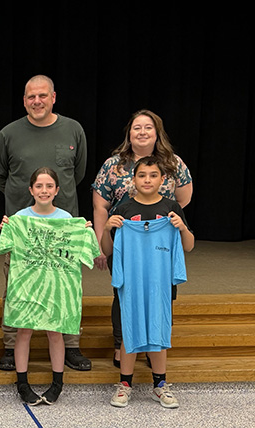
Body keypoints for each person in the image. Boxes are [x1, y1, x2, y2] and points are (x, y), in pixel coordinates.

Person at [0, 74, 91, 371]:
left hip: (63, 233)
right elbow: (0, 177)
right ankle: (11, 346)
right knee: (16, 287)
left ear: (53, 97)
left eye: (42, 96)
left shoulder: (73, 130)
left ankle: (70, 344)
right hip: (24, 233)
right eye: (31, 97)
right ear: (24, 101)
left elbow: (78, 173)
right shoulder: (8, 134)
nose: (37, 101)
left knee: (66, 286)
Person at [91, 109, 193, 367]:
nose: (142, 132)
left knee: (163, 293)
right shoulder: (114, 165)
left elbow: (182, 199)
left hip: (159, 242)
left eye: (148, 127)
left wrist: (166, 222)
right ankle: (121, 344)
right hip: (125, 240)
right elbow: (100, 206)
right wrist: (101, 244)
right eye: (137, 127)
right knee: (123, 292)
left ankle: (153, 345)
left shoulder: (173, 163)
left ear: (157, 133)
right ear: (129, 133)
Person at [0, 168, 96, 406]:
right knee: (23, 330)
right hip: (28, 288)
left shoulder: (67, 220)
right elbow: (7, 249)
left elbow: (88, 253)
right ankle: (22, 382)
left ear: (57, 190)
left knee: (56, 332)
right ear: (31, 190)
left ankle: (57, 383)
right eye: (39, 186)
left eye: (49, 186)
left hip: (56, 289)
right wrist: (7, 229)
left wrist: (84, 232)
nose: (44, 190)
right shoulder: (19, 218)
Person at [101, 157, 194, 409]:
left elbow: (188, 245)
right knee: (130, 330)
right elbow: (107, 249)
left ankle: (160, 385)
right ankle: (125, 384)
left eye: (153, 175)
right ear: (134, 179)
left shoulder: (171, 209)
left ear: (162, 180)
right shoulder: (123, 210)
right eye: (142, 175)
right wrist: (107, 228)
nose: (147, 180)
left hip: (160, 283)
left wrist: (182, 228)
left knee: (158, 330)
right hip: (130, 283)